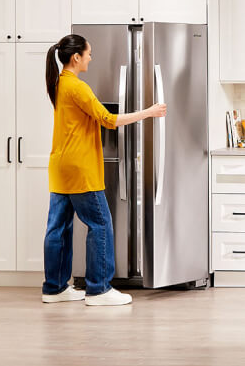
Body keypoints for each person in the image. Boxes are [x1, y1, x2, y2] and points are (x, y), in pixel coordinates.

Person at [40, 34, 165, 306]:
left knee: (58, 229)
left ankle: (55, 288)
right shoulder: (78, 87)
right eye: (89, 53)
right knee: (101, 223)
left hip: (60, 166)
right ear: (76, 58)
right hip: (81, 168)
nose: (91, 58)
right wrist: (149, 112)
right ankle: (98, 290)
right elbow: (109, 120)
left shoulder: (59, 83)